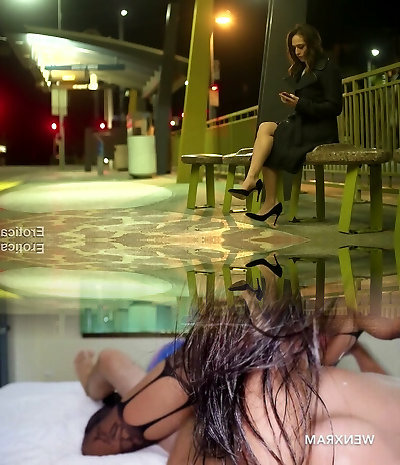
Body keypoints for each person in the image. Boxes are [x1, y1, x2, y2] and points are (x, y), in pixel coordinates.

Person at [75, 296, 400, 464]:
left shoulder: (353, 323)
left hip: (230, 404)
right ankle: (91, 371)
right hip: (199, 366)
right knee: (112, 362)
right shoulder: (268, 325)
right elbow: (96, 443)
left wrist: (360, 351)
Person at [229, 24, 343, 224]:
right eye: (294, 48)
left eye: (301, 47)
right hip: (303, 125)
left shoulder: (328, 68)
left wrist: (300, 103)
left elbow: (334, 107)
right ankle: (254, 183)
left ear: (313, 45)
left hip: (320, 130)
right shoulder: (301, 70)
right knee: (265, 128)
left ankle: (265, 196)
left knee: (271, 139)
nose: (297, 52)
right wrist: (295, 103)